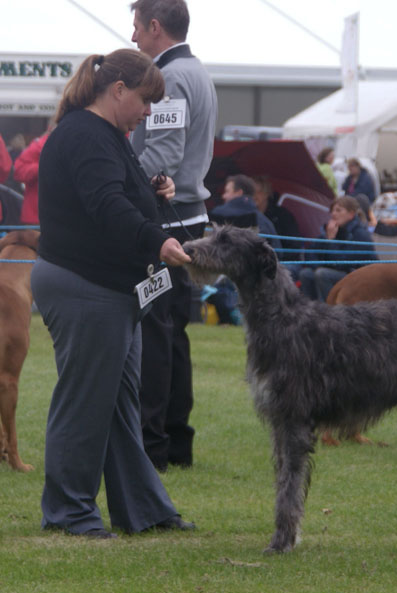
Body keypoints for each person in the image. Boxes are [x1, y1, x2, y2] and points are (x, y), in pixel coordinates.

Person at [31, 49, 195, 538]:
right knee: (84, 402)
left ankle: (142, 508)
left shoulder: (105, 136)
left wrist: (152, 193)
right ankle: (68, 512)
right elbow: (105, 204)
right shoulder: (85, 135)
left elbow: (115, 195)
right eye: (146, 101)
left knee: (120, 406)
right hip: (86, 288)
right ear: (119, 90)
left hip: (112, 290)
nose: (149, 112)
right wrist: (157, 238)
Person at [129, 0, 218, 472]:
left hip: (167, 217)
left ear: (156, 27)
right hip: (186, 217)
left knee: (156, 332)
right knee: (172, 333)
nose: (133, 38)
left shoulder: (171, 79)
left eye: (138, 28)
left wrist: (115, 180)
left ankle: (154, 446)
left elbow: (162, 154)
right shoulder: (195, 71)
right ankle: (176, 442)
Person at [299, 195, 376, 302]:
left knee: (322, 274)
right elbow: (311, 253)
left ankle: (329, 310)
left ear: (351, 214)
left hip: (359, 276)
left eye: (338, 210)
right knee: (306, 274)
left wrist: (330, 240)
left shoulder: (360, 235)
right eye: (332, 210)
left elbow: (341, 263)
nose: (333, 214)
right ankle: (311, 309)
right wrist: (317, 265)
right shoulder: (333, 230)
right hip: (338, 272)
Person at [210, 174, 281, 250]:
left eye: (227, 191)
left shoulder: (217, 213)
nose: (223, 196)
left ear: (239, 193)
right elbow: (278, 252)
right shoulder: (265, 222)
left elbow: (206, 243)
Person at [253, 175, 300, 260]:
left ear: (266, 193)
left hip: (284, 261)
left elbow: (294, 246)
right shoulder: (245, 216)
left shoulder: (283, 215)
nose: (254, 196)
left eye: (258, 192)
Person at [12, 128, 51, 225]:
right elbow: (17, 171)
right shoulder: (39, 146)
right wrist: (42, 166)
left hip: (45, 216)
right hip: (36, 217)